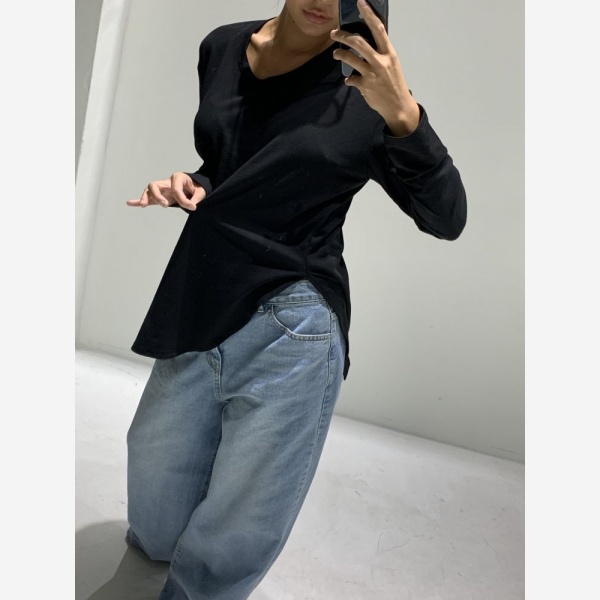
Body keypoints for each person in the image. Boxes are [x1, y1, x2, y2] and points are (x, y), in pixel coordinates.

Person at [124, 0, 467, 598]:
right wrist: (195, 183)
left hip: (294, 320)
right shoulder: (223, 46)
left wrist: (404, 116)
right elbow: (237, 162)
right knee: (153, 515)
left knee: (234, 533)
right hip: (203, 290)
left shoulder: (366, 91)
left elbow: (447, 217)